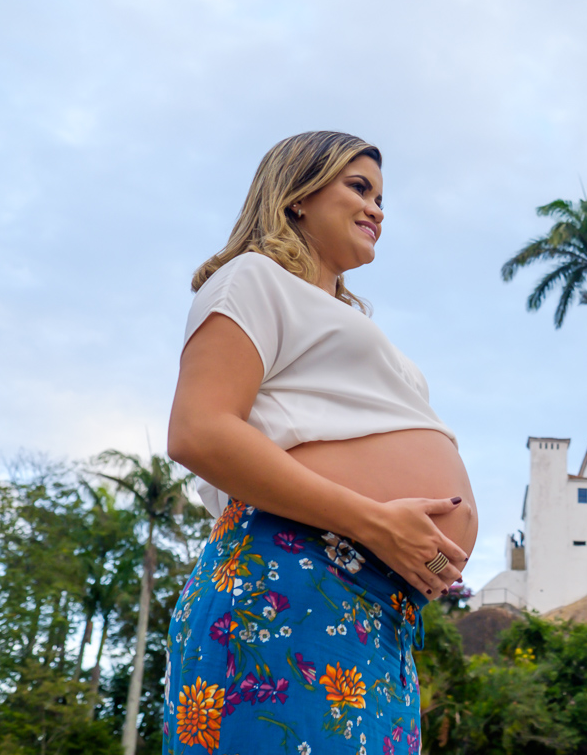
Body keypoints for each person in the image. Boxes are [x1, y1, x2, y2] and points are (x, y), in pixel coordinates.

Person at [164, 131, 478, 754]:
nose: (376, 209)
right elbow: (200, 430)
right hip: (292, 576)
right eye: (359, 187)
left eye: (381, 198)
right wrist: (374, 521)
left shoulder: (357, 327)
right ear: (298, 194)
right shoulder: (253, 279)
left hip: (379, 612)